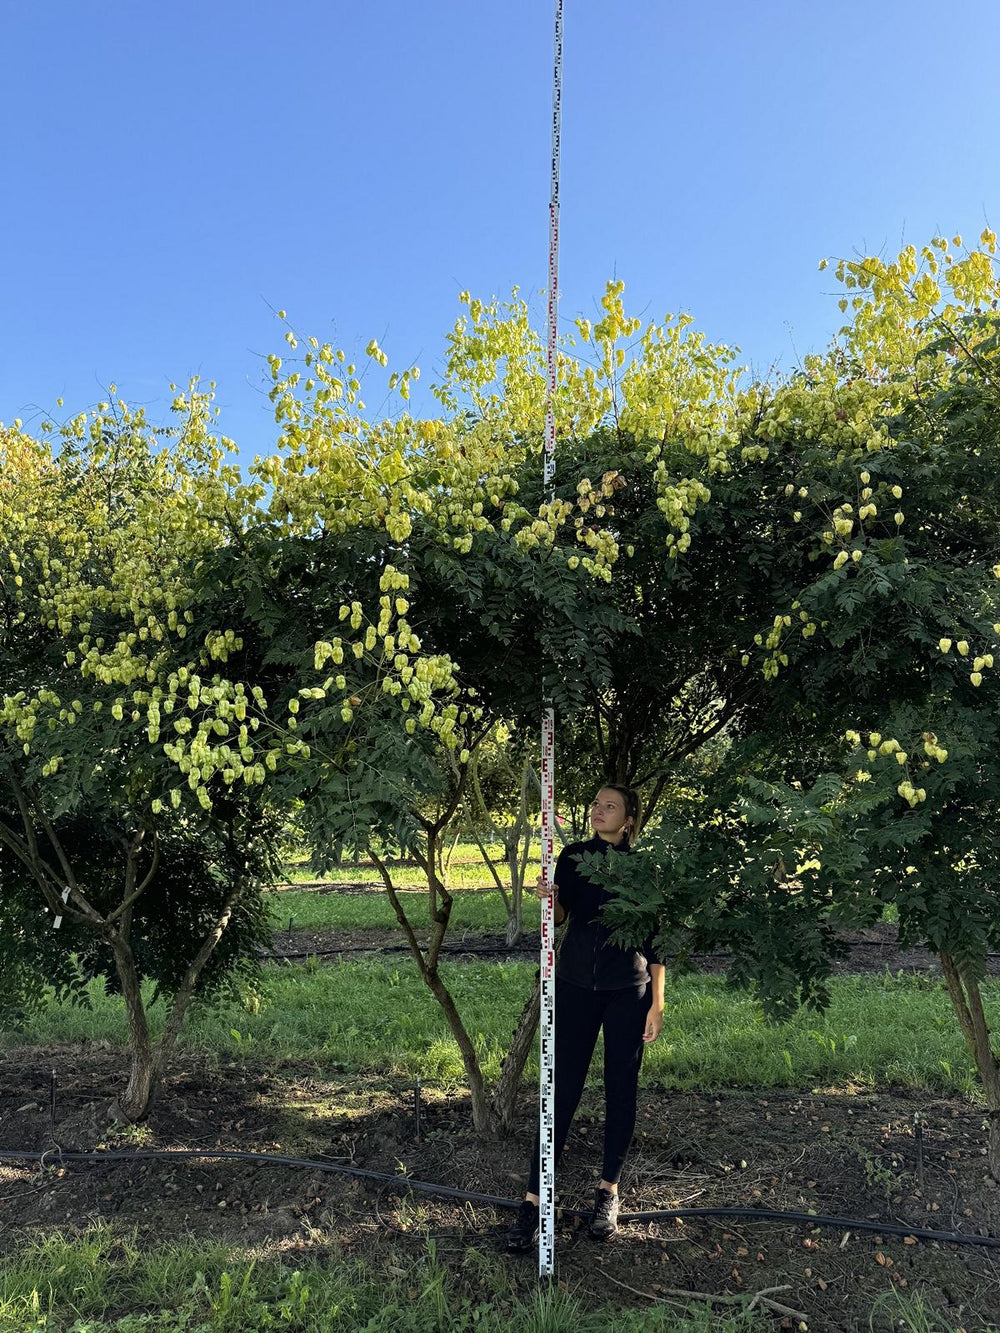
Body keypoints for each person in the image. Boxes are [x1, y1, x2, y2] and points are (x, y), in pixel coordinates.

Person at [506, 783, 664, 1250]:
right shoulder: (573, 856)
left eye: (609, 806)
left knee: (621, 1089)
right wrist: (546, 897)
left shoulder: (642, 871)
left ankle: (608, 1193)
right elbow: (558, 916)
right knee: (560, 1092)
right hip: (574, 987)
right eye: (595, 803)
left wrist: (657, 1003)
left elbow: (656, 943)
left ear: (629, 819)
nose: (598, 810)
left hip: (627, 994)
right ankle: (534, 1201)